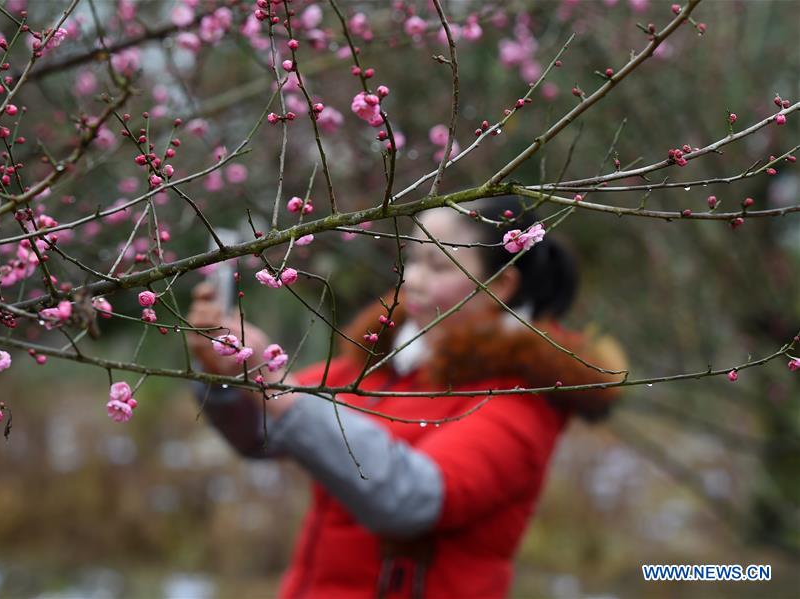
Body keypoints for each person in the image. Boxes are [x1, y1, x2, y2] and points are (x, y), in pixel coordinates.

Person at [188, 196, 627, 599]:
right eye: (412, 260)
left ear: (502, 285)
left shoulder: (522, 399)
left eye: (437, 267)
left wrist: (274, 385)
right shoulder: (385, 365)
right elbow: (266, 431)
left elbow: (412, 499)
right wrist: (227, 375)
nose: (412, 281)